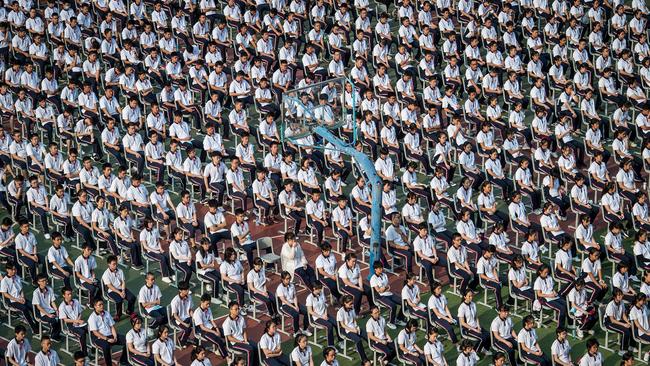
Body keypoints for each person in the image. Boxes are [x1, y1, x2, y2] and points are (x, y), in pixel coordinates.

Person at [87, 298, 129, 365]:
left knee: (128, 341)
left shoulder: (106, 313)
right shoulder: (92, 318)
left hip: (110, 335)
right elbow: (95, 332)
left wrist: (115, 336)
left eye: (102, 304)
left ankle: (123, 360)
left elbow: (112, 326)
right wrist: (107, 339)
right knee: (106, 346)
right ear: (95, 306)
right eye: (99, 305)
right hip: (99, 338)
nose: (102, 306)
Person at [0, 262, 38, 331]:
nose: (14, 271)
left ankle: (37, 324)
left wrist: (22, 297)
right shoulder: (4, 281)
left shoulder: (17, 277)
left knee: (33, 306)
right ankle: (33, 328)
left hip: (20, 298)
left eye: (15, 269)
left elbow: (21, 289)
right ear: (7, 270)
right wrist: (17, 300)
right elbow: (5, 294)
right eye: (12, 270)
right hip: (12, 301)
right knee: (24, 309)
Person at [336, 295, 371, 366]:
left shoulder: (352, 309)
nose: (352, 305)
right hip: (345, 329)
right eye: (350, 304)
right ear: (345, 303)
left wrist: (356, 327)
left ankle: (376, 349)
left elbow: (354, 319)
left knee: (367, 336)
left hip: (353, 327)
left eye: (352, 303)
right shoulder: (340, 312)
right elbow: (342, 325)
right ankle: (364, 360)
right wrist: (352, 330)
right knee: (358, 340)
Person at [102, 255, 136, 320]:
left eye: (116, 263)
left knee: (132, 297)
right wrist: (119, 293)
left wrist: (123, 290)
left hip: (121, 288)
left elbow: (123, 282)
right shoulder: (106, 274)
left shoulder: (120, 271)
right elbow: (110, 286)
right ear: (109, 264)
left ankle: (129, 311)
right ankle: (118, 315)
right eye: (113, 264)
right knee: (119, 300)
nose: (115, 265)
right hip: (111, 291)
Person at [222, 301, 257, 366]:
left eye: (238, 309)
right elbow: (229, 338)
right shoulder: (226, 323)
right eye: (236, 309)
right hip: (233, 343)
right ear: (230, 310)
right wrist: (241, 342)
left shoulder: (241, 318)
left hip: (242, 340)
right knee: (249, 350)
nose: (238, 310)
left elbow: (244, 331)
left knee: (256, 346)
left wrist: (245, 340)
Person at [277, 270, 311, 336]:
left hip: (294, 303)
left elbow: (295, 296)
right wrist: (294, 307)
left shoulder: (292, 285)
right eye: (287, 279)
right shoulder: (279, 288)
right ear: (282, 279)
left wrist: (296, 305)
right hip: (285, 305)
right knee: (296, 314)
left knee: (307, 312)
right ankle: (296, 331)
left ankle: (305, 329)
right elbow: (283, 300)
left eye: (289, 278)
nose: (289, 280)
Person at [458, 289, 490, 354]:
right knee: (482, 338)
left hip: (475, 326)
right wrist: (474, 330)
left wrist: (478, 326)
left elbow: (476, 316)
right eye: (469, 296)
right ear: (465, 297)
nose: (471, 297)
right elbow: (462, 323)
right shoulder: (462, 308)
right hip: (468, 329)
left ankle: (485, 349)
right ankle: (474, 352)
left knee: (489, 335)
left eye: (472, 296)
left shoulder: (473, 304)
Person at [31, 273, 62, 342]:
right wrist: (48, 314)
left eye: (45, 280)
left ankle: (55, 334)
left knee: (61, 317)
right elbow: (38, 307)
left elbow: (52, 302)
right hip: (41, 313)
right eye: (42, 281)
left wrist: (56, 310)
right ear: (38, 282)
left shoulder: (50, 289)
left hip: (49, 310)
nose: (45, 282)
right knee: (53, 320)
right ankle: (53, 335)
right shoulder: (36, 293)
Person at [58, 286, 89, 355]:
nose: (70, 295)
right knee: (82, 333)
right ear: (64, 295)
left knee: (92, 329)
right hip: (71, 326)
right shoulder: (62, 307)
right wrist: (76, 321)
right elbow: (65, 320)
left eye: (71, 294)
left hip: (79, 322)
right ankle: (84, 354)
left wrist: (78, 320)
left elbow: (80, 313)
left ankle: (94, 347)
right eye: (68, 294)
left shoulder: (76, 301)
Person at [605, 288, 634, 355]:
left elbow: (623, 315)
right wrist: (624, 325)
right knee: (625, 331)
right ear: (615, 297)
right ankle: (622, 350)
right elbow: (612, 320)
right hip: (609, 323)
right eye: (619, 295)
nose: (621, 296)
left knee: (631, 326)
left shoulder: (621, 302)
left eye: (621, 294)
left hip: (618, 320)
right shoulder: (610, 305)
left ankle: (631, 346)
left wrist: (628, 322)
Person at [170, 283, 194, 347]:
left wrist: (194, 317)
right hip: (177, 319)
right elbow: (175, 315)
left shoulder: (189, 297)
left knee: (197, 324)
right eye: (185, 290)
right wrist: (184, 323)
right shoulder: (175, 301)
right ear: (180, 290)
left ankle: (187, 338)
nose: (188, 291)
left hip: (187, 316)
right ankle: (180, 340)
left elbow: (190, 310)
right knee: (187, 329)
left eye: (188, 289)